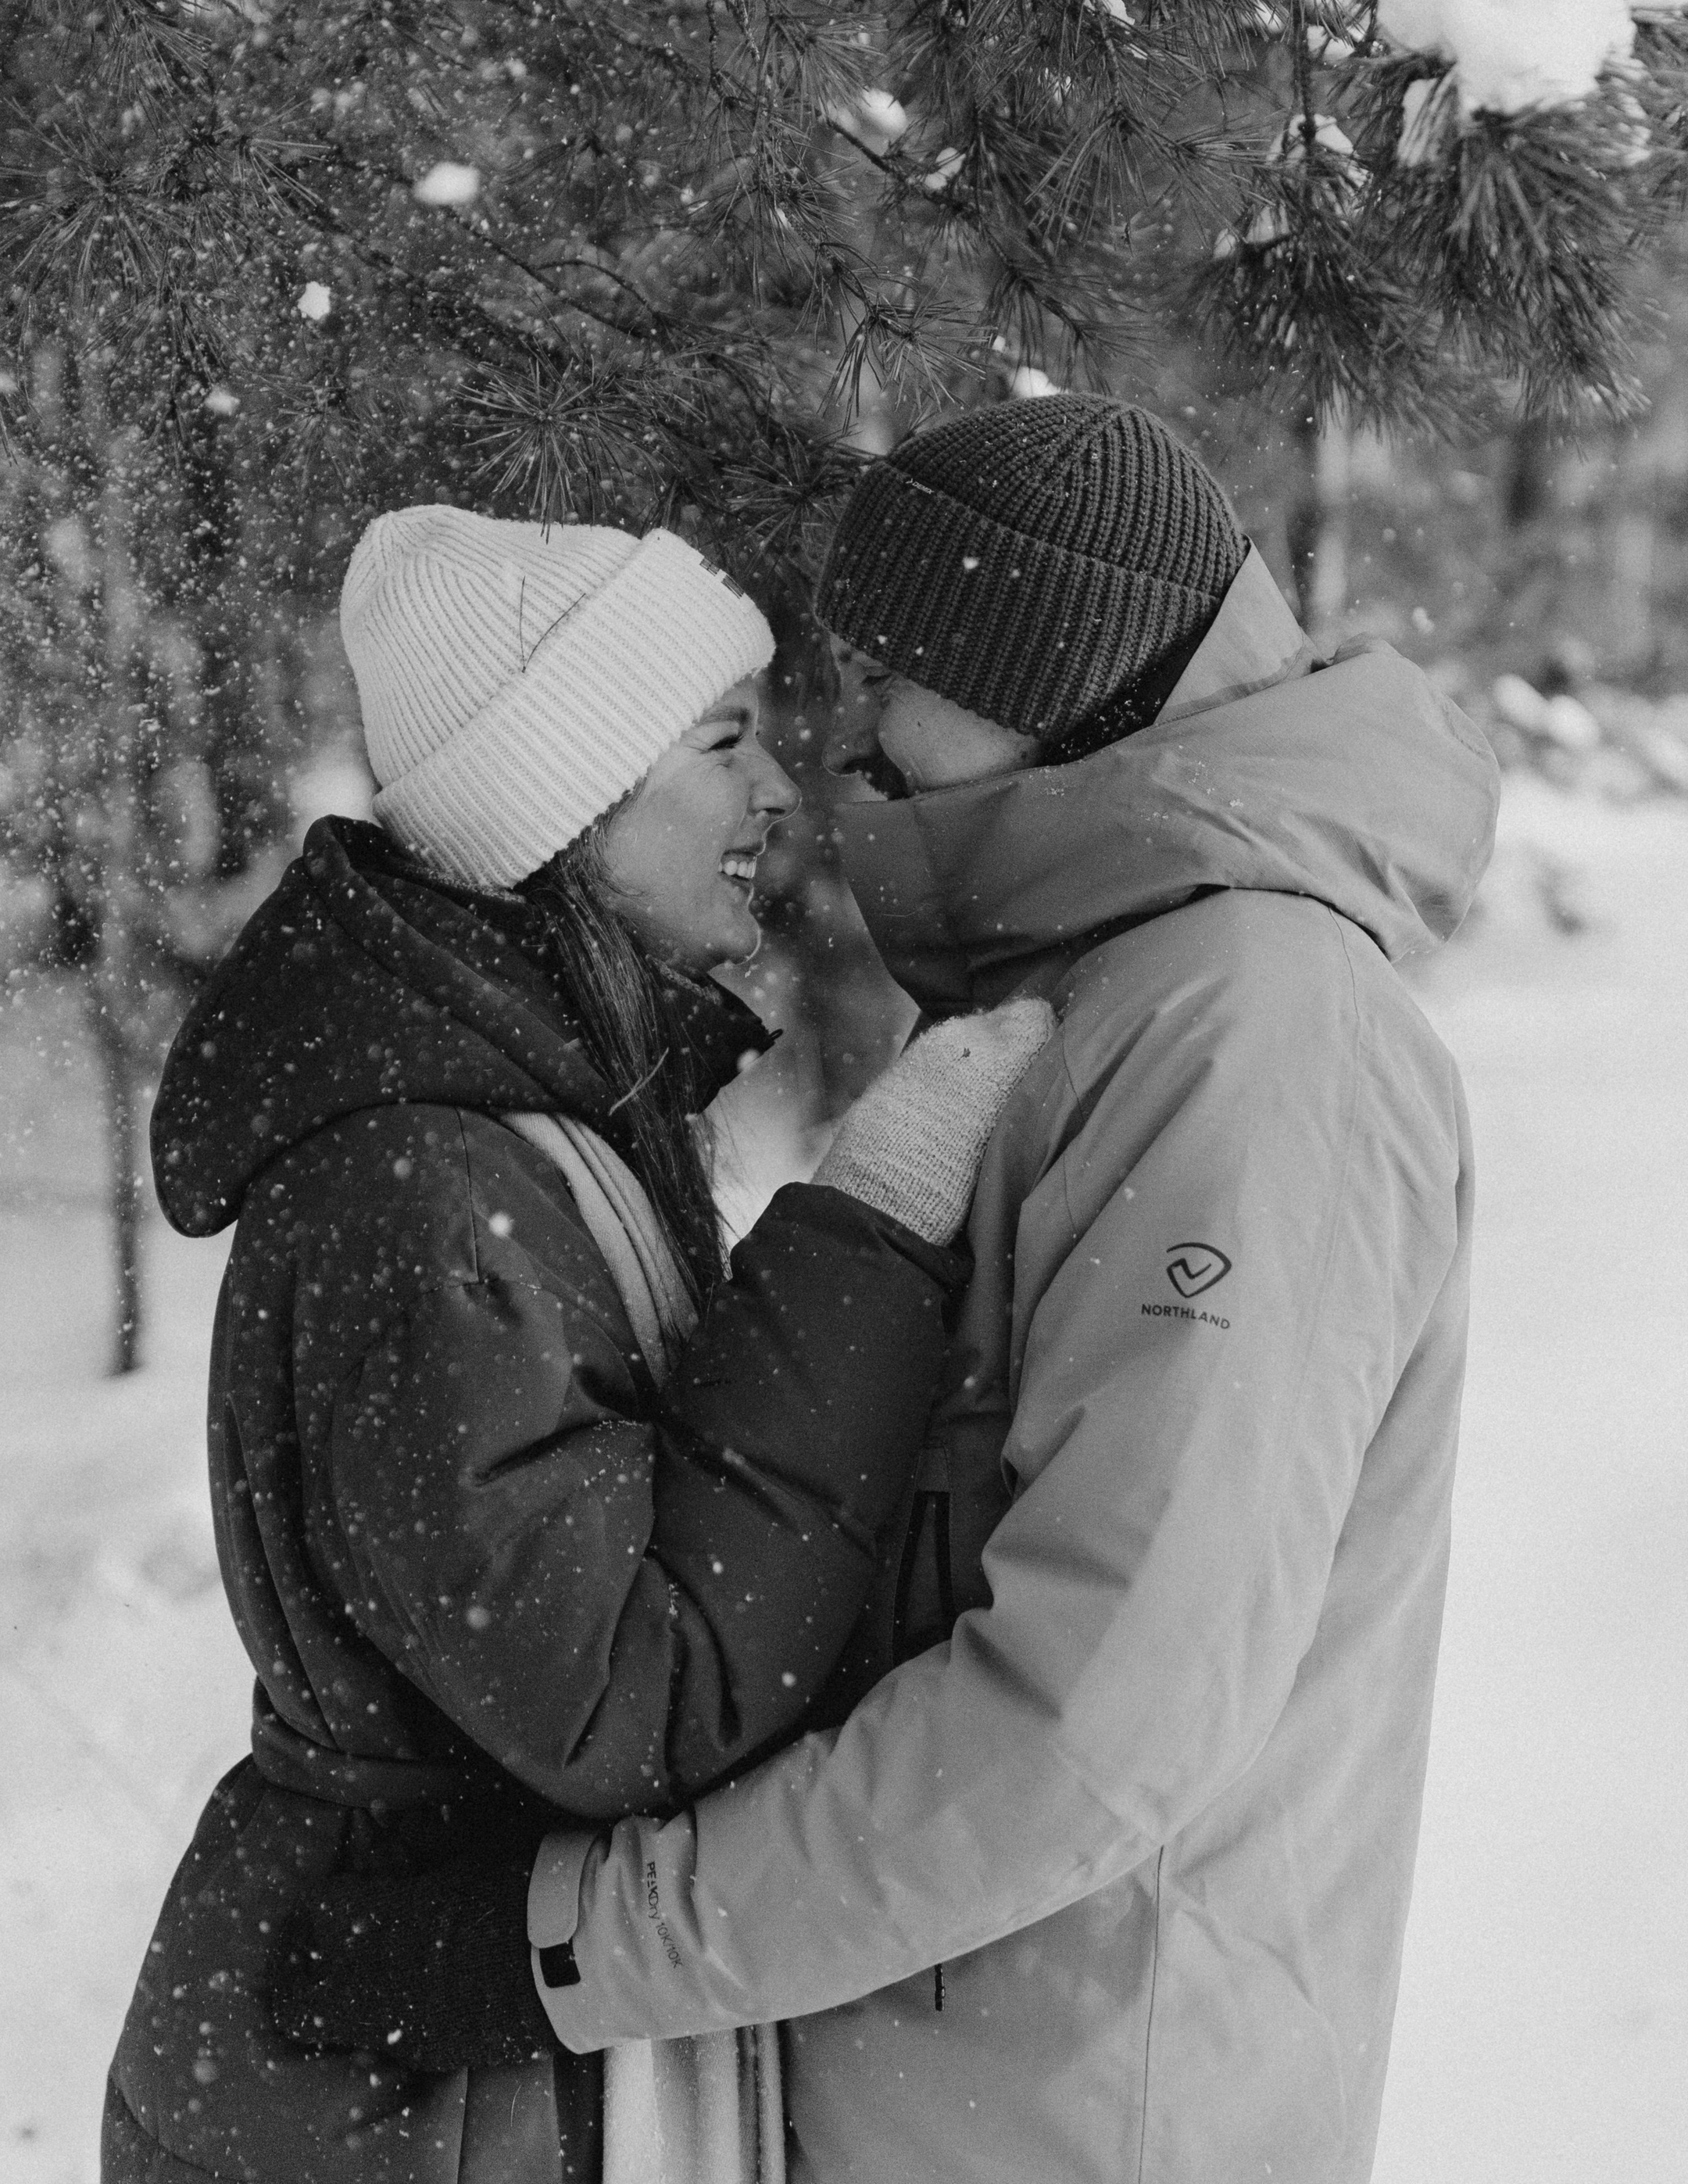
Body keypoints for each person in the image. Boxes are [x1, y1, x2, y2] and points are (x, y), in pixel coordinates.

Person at [275, 398, 1503, 2184]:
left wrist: (578, 1945)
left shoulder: (1251, 1037)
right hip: (951, 2076)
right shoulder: (1117, 983)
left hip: (1064, 2113)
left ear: (1033, 671)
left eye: (892, 668)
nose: (842, 739)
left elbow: (1089, 1726)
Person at [101, 507, 1053, 2184]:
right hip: (405, 2086)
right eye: (716, 742)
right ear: (563, 802)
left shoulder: (535, 1122)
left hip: (439, 2053)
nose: (775, 789)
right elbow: (636, 1688)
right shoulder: (425, 1183)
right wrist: (873, 1223)